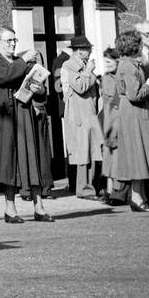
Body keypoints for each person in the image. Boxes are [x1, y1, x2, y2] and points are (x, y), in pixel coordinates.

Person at [0, 27, 53, 222]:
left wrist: (38, 89)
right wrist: (23, 61)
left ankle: (39, 207)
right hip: (4, 118)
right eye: (9, 41)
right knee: (9, 162)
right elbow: (5, 76)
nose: (13, 44)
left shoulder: (21, 63)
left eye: (15, 40)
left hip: (24, 113)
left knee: (32, 158)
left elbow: (36, 88)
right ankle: (10, 209)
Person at [113, 27, 149, 213]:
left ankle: (139, 196)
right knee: (138, 155)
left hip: (135, 113)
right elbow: (135, 94)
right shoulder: (128, 66)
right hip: (135, 113)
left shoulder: (130, 64)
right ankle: (136, 197)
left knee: (139, 156)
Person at [59, 34, 104, 199]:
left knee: (93, 150)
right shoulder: (69, 65)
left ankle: (94, 186)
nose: (90, 51)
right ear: (79, 51)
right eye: (87, 49)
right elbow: (80, 86)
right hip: (78, 114)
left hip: (89, 112)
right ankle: (84, 189)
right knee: (82, 152)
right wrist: (88, 72)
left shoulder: (84, 65)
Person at [98, 47, 128, 206]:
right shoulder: (106, 78)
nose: (106, 65)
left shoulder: (120, 77)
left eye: (109, 62)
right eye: (105, 62)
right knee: (110, 158)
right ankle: (111, 191)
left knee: (116, 158)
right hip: (110, 119)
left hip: (119, 119)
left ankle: (117, 191)